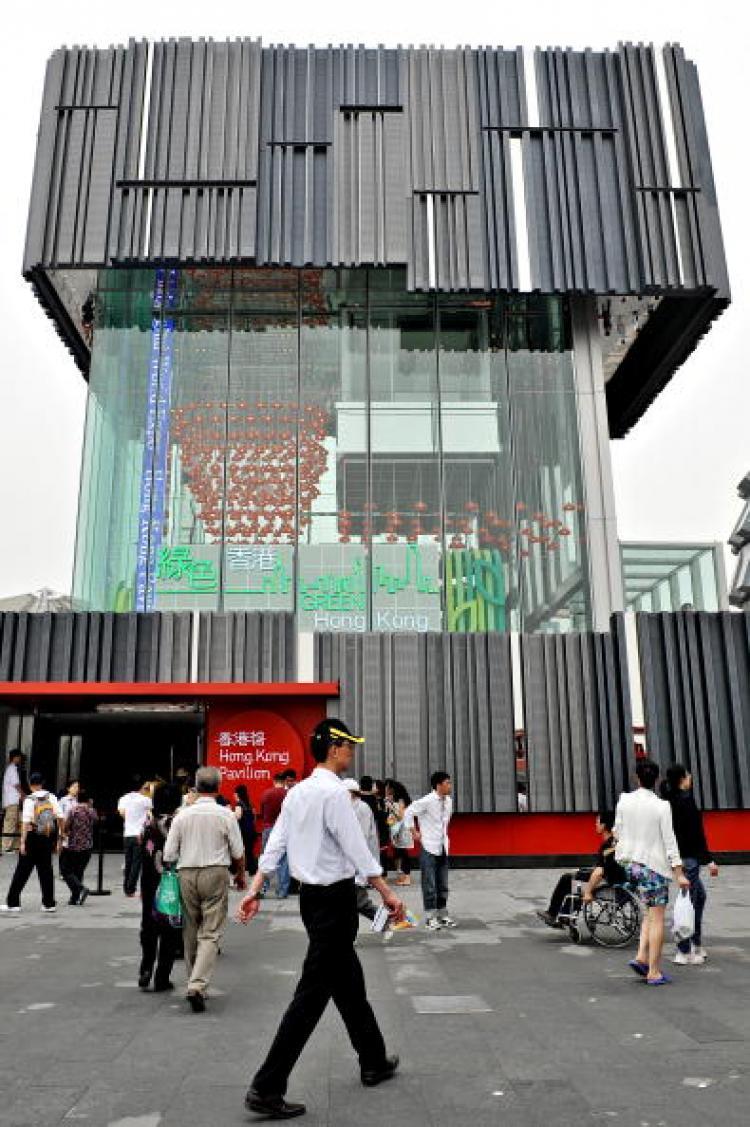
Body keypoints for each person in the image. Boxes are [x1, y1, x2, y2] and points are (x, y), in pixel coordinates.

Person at [236, 718, 405, 1120]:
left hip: (313, 900)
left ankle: (374, 1059)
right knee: (312, 995)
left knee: (348, 983)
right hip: (335, 900)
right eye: (349, 746)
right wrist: (388, 893)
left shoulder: (298, 793)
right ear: (333, 748)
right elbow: (357, 850)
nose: (352, 752)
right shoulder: (333, 796)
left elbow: (275, 842)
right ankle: (266, 1086)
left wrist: (255, 886)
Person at [163, 766, 246, 1012]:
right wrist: (240, 876)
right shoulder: (226, 815)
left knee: (190, 928)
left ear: (196, 787)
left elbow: (169, 853)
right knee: (210, 931)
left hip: (186, 872)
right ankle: (198, 985)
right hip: (216, 872)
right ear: (219, 787)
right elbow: (238, 853)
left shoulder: (182, 815)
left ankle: (192, 980)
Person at [614, 758, 690, 986]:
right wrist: (679, 873)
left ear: (637, 777)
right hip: (652, 868)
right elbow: (670, 842)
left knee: (648, 912)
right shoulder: (661, 806)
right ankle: (654, 971)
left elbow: (617, 831)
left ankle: (641, 957)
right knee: (657, 918)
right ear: (656, 780)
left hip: (629, 865)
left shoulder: (624, 800)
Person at [660, 764, 719, 965]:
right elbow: (697, 833)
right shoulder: (686, 800)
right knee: (689, 903)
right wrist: (709, 859)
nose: (690, 776)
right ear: (682, 779)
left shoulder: (667, 799)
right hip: (689, 859)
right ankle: (685, 950)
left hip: (675, 857)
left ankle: (695, 943)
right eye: (687, 774)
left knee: (698, 896)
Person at [537, 811, 626, 928]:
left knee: (567, 878)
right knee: (579, 875)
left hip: (608, 882)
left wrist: (588, 892)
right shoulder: (618, 842)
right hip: (617, 878)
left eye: (597, 822)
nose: (596, 824)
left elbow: (599, 872)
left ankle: (553, 914)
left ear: (604, 826)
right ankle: (565, 914)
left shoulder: (606, 847)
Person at [139, 784, 182, 992]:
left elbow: (143, 850)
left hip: (149, 880)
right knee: (170, 929)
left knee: (148, 923)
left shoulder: (149, 823)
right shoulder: (178, 823)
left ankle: (146, 967)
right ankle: (162, 977)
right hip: (172, 881)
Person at [1, 772, 64, 913]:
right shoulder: (52, 797)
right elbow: (60, 817)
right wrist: (60, 837)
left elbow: (25, 823)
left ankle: (13, 903)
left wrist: (22, 842)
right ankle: (49, 904)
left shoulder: (29, 799)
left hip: (32, 838)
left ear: (30, 784)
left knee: (22, 871)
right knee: (46, 871)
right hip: (47, 837)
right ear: (42, 783)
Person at [404, 771, 454, 930]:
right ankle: (430, 917)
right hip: (429, 847)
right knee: (430, 883)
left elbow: (446, 822)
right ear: (438, 785)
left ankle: (443, 914)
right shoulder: (428, 800)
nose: (450, 786)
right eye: (447, 783)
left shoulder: (449, 802)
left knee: (443, 883)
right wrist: (414, 832)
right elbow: (408, 812)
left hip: (443, 846)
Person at [342, 778, 379, 920]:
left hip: (358, 865)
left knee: (361, 904)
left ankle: (387, 920)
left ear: (351, 793)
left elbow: (363, 838)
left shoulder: (361, 808)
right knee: (351, 905)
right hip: (351, 866)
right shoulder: (351, 807)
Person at [60, 787, 97, 906]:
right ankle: (75, 898)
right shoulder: (92, 811)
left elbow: (66, 826)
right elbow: (96, 822)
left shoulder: (73, 810)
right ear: (89, 800)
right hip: (87, 846)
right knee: (78, 872)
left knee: (65, 871)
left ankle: (80, 889)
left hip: (74, 846)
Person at [118, 777, 153, 896]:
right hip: (139, 834)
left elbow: (122, 813)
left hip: (127, 833)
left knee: (128, 861)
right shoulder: (145, 800)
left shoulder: (123, 798)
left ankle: (126, 887)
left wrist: (130, 820)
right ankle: (131, 888)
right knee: (136, 863)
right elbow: (150, 815)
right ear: (141, 787)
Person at [259, 772, 290, 898]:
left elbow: (262, 811)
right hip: (283, 829)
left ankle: (263, 889)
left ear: (274, 780)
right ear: (284, 782)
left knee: (266, 857)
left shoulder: (266, 794)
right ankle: (282, 891)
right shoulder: (288, 795)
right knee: (283, 861)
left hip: (268, 828)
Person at [385, 780, 413, 886]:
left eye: (388, 787)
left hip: (403, 830)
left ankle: (407, 877)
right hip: (397, 829)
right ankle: (401, 876)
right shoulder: (395, 800)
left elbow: (400, 815)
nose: (386, 789)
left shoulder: (401, 800)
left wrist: (390, 805)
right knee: (397, 852)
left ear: (393, 788)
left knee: (403, 852)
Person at [2, 750, 25, 853]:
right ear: (14, 757)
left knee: (16, 823)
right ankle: (6, 846)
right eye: (19, 757)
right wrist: (23, 795)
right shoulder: (12, 769)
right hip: (11, 802)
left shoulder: (12, 769)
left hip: (13, 801)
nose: (20, 760)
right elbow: (16, 785)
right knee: (10, 823)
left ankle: (15, 846)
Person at [233, 784, 258, 875]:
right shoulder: (249, 804)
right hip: (251, 830)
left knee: (240, 851)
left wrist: (232, 815)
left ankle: (239, 870)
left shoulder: (239, 804)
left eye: (235, 793)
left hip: (243, 831)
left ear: (238, 794)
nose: (234, 795)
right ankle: (252, 869)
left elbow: (237, 817)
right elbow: (254, 817)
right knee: (249, 851)